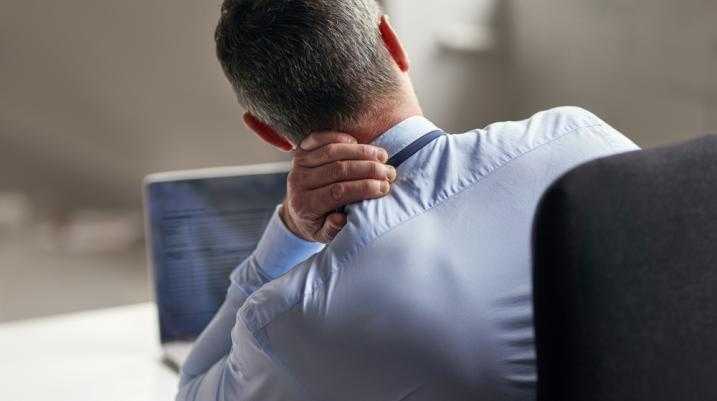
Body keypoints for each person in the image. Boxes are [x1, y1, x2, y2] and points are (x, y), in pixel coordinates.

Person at [177, 1, 639, 400]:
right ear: (393, 42)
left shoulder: (290, 322)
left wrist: (290, 233)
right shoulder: (581, 138)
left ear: (270, 133)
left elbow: (192, 388)